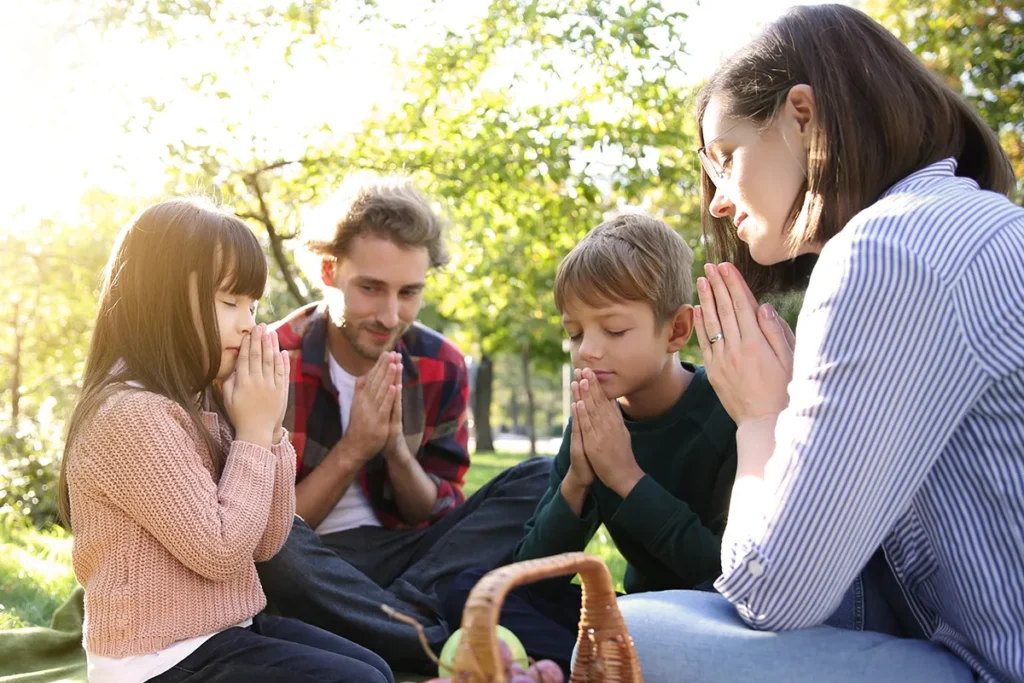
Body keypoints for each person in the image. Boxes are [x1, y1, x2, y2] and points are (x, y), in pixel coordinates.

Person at [615, 5, 1023, 683]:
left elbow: (775, 594)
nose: (716, 201)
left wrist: (759, 418)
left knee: (628, 635)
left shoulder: (888, 250)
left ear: (801, 116)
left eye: (726, 159)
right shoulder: (967, 221)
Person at [57, 199, 394, 683]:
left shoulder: (200, 403)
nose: (248, 324)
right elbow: (219, 552)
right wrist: (255, 435)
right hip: (157, 660)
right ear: (160, 300)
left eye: (252, 305)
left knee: (374, 667)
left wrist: (270, 429)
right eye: (229, 302)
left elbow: (266, 541)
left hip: (219, 631)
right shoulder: (129, 414)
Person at [255, 174, 550, 674]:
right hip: (315, 563)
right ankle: (425, 632)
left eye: (409, 292)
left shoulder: (441, 364)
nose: (390, 316)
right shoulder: (271, 361)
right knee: (269, 540)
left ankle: (396, 616)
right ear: (329, 271)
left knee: (544, 476)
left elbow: (433, 517)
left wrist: (393, 451)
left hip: (413, 562)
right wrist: (354, 449)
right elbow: (261, 532)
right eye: (371, 289)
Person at [443, 213, 738, 676]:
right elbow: (536, 571)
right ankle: (599, 669)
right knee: (473, 592)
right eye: (575, 333)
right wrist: (578, 481)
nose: (588, 351)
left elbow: (724, 573)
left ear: (677, 331)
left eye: (614, 330)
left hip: (710, 618)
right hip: (630, 616)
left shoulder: (728, 415)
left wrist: (626, 477)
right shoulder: (593, 418)